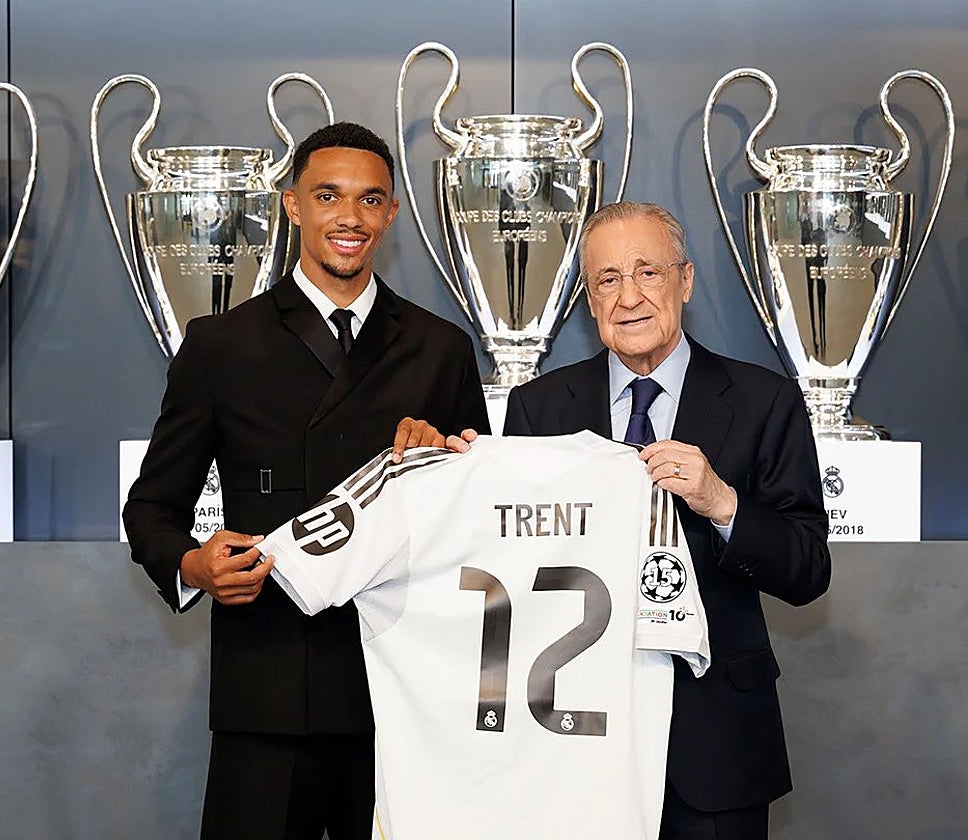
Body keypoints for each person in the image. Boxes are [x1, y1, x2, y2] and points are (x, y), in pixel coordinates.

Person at [123, 121, 489, 840]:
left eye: (371, 200)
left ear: (390, 214)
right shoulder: (220, 347)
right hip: (265, 694)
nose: (349, 218)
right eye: (329, 196)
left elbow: (475, 520)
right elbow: (153, 507)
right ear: (292, 206)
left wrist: (446, 459)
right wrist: (195, 565)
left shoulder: (441, 349)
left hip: (402, 697)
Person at [504, 200, 831, 839]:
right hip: (572, 741)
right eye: (607, 279)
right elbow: (515, 569)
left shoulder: (765, 401)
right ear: (587, 299)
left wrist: (722, 503)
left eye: (648, 272)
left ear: (684, 281)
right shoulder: (537, 408)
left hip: (713, 747)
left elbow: (808, 569)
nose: (629, 296)